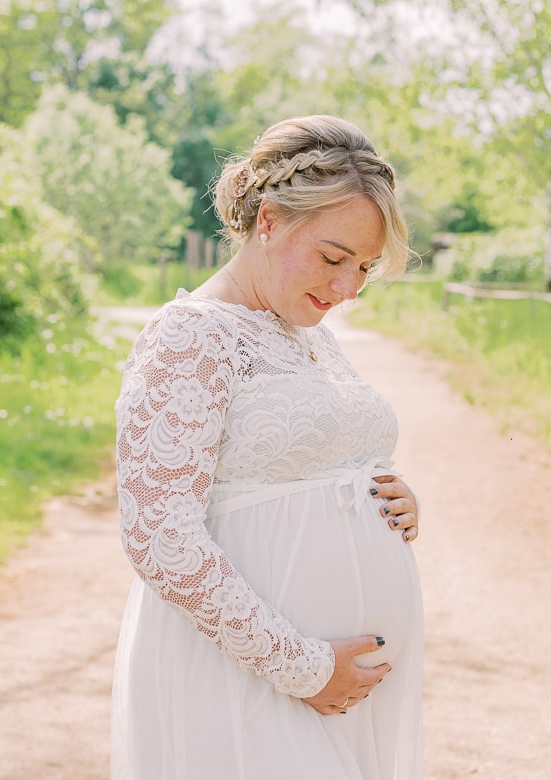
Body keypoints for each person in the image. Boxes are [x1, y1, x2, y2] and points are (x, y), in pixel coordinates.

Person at [110, 115, 424, 779]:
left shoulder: (307, 334)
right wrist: (303, 667)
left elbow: (319, 461)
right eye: (334, 259)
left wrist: (387, 492)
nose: (347, 290)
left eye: (364, 268)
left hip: (343, 685)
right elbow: (159, 535)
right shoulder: (189, 337)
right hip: (247, 678)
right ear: (271, 221)